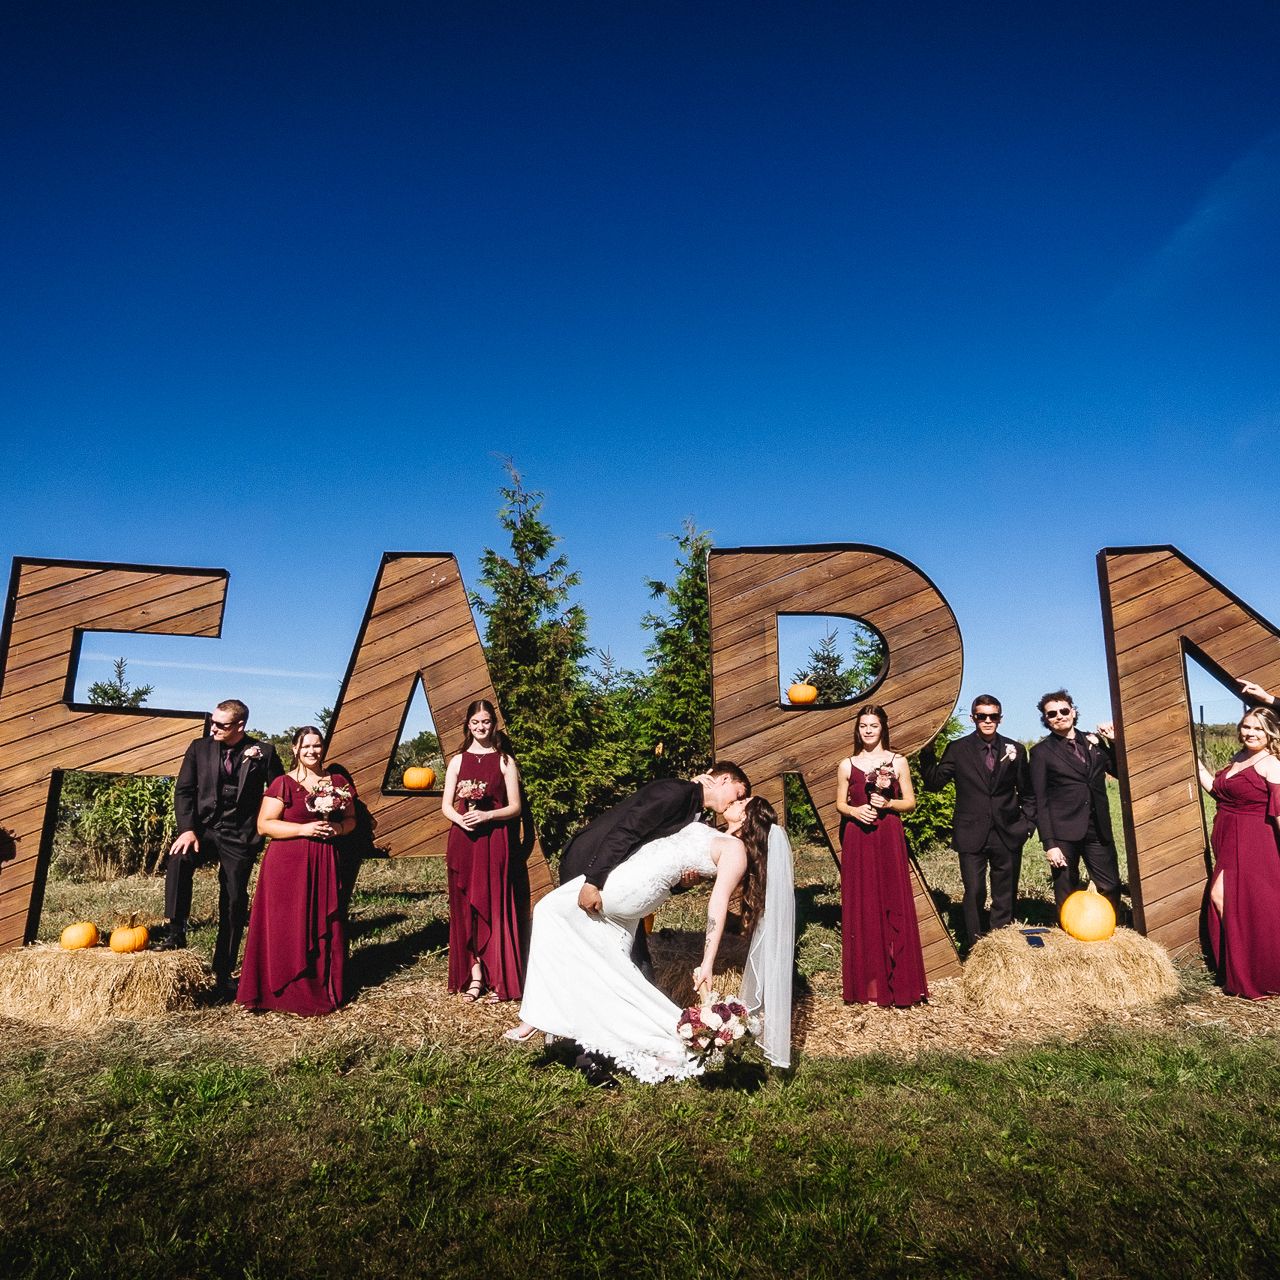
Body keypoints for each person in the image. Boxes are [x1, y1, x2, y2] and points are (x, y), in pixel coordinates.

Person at [507, 796, 793, 1081]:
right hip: (637, 886)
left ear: (745, 818)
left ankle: (536, 1016)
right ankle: (665, 1035)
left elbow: (716, 906)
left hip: (632, 887)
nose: (736, 799)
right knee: (612, 971)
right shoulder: (718, 835)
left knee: (548, 911)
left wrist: (707, 963)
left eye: (743, 801)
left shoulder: (736, 851)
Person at [161, 698, 284, 998]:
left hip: (239, 835)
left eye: (221, 724)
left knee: (232, 900)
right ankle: (175, 932)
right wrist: (188, 829)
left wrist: (269, 827)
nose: (213, 728)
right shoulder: (198, 748)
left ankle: (223, 970)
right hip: (203, 829)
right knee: (179, 858)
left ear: (240, 726)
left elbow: (280, 790)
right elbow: (185, 790)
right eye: (212, 722)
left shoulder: (264, 753)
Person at [236, 727, 355, 1015]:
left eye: (317, 746)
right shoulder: (283, 783)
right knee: (286, 924)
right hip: (287, 864)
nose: (312, 752)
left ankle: (320, 987)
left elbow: (352, 820)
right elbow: (264, 825)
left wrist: (337, 828)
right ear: (294, 749)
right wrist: (304, 828)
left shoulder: (338, 782)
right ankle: (278, 989)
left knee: (321, 921)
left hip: (325, 858)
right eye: (306, 747)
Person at [919, 694, 1036, 948]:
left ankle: (1001, 945)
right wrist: (927, 751)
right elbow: (934, 782)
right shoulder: (957, 748)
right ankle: (975, 946)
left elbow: (1027, 792)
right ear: (973, 718)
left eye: (993, 716)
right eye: (981, 716)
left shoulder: (1014, 748)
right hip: (971, 833)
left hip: (1008, 832)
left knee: (1004, 894)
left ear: (1000, 719)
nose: (987, 721)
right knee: (974, 892)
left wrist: (1027, 825)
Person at [836, 704, 928, 1007]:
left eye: (873, 725)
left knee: (893, 901)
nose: (868, 731)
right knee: (864, 903)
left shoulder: (897, 761)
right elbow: (840, 804)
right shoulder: (847, 764)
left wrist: (888, 804)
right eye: (863, 726)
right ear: (857, 729)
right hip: (858, 837)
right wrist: (854, 810)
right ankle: (868, 984)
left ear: (882, 728)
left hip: (888, 835)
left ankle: (900, 982)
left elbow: (910, 803)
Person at [440, 700, 524, 1003]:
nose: (480, 727)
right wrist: (461, 819)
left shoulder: (504, 761)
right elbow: (446, 806)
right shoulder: (457, 761)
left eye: (486, 722)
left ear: (494, 724)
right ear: (468, 725)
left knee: (495, 906)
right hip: (464, 841)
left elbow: (515, 807)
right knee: (466, 910)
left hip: (494, 841)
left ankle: (500, 978)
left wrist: (488, 815)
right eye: (475, 722)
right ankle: (475, 976)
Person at [1196, 707, 1280, 998]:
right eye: (1246, 727)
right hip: (1228, 839)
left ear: (1270, 732)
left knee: (1252, 905)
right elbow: (1218, 792)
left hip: (1256, 841)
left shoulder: (1272, 764)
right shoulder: (1238, 758)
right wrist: (1193, 763)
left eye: (1258, 729)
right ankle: (1240, 968)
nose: (1250, 733)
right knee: (1229, 900)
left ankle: (1260, 974)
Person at [1028, 689, 1123, 917]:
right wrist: (1050, 844)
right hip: (1063, 832)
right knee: (1066, 890)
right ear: (1046, 719)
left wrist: (1115, 743)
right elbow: (1039, 800)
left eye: (1063, 710)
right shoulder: (1040, 752)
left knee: (1110, 885)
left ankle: (1112, 928)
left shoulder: (1095, 742)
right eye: (1052, 714)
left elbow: (1121, 772)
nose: (1059, 716)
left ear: (1073, 711)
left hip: (1097, 827)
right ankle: (1069, 933)